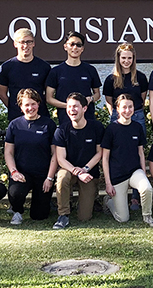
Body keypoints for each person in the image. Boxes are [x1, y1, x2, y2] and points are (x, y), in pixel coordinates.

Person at [102, 94, 153, 227]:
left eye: (130, 107)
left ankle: (147, 216)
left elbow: (141, 153)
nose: (128, 110)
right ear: (117, 108)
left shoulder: (137, 127)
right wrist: (108, 183)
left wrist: (144, 173)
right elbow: (105, 158)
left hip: (134, 171)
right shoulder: (111, 129)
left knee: (147, 188)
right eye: (124, 107)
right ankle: (109, 202)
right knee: (123, 219)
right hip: (117, 175)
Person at [4, 89, 58, 225]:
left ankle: (41, 204)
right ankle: (17, 211)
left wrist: (50, 178)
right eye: (26, 105)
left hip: (43, 174)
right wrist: (14, 172)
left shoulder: (48, 124)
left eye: (33, 104)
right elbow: (8, 152)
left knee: (39, 215)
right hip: (22, 173)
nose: (30, 108)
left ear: (38, 104)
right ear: (21, 107)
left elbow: (55, 153)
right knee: (15, 193)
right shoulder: (14, 125)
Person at [52, 92, 103, 229]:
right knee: (62, 177)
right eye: (69, 107)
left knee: (84, 217)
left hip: (89, 173)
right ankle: (63, 215)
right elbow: (61, 159)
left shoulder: (96, 127)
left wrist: (85, 169)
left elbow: (99, 153)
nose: (72, 110)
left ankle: (93, 200)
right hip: (69, 170)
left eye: (75, 106)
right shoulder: (62, 130)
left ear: (84, 108)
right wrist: (77, 171)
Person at [46, 31, 102, 125]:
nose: (75, 47)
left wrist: (90, 99)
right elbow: (49, 98)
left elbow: (97, 94)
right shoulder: (56, 71)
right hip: (65, 120)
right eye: (72, 44)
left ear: (82, 49)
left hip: (87, 120)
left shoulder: (90, 70)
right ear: (65, 47)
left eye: (78, 45)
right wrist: (68, 106)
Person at [0, 28, 51, 121]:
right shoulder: (7, 67)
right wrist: (16, 106)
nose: (26, 45)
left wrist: (36, 106)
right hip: (16, 117)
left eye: (29, 42)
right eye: (22, 42)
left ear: (34, 43)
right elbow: (2, 94)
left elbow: (49, 93)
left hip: (41, 116)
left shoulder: (44, 67)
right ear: (15, 44)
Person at [103, 42, 148, 132]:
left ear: (133, 59)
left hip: (137, 115)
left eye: (129, 58)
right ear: (118, 58)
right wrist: (114, 113)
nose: (126, 61)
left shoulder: (141, 77)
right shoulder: (111, 79)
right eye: (123, 58)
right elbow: (109, 100)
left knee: (138, 144)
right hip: (118, 115)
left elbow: (142, 98)